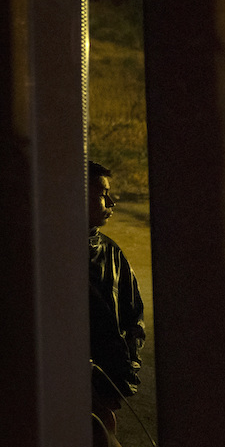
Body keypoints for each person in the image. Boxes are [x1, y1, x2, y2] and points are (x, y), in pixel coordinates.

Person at [87, 161, 145, 432]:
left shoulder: (111, 254)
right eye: (102, 194)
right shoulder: (49, 256)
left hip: (103, 380)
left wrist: (127, 364)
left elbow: (133, 316)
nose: (110, 202)